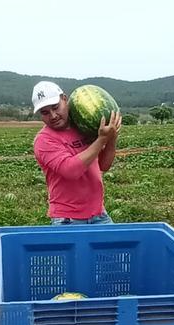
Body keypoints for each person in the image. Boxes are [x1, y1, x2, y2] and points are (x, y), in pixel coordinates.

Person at [31, 81, 122, 225]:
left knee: (114, 247)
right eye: (45, 112)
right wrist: (102, 139)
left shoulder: (83, 126)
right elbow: (71, 170)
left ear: (65, 99)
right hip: (68, 219)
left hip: (99, 214)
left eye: (56, 107)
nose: (53, 115)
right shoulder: (44, 141)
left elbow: (104, 165)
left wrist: (112, 138)